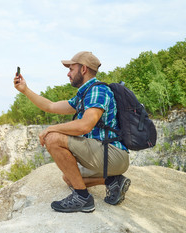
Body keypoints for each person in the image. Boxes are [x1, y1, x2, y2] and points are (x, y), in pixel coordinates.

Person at [13, 51, 131, 213]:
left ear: (83, 69)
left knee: (53, 138)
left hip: (112, 154)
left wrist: (51, 129)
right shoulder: (85, 94)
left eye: (71, 69)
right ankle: (112, 180)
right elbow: (50, 106)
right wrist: (25, 90)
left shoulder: (98, 91)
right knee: (70, 178)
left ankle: (82, 198)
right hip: (104, 156)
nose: (68, 74)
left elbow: (85, 126)